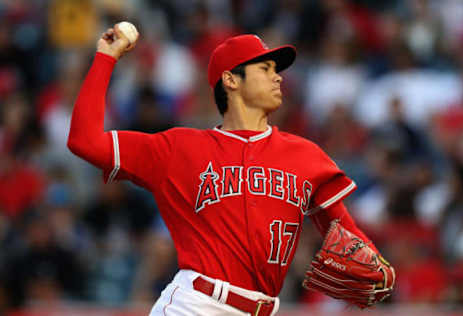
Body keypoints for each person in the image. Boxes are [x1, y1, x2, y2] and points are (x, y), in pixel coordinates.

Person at [68, 24, 388, 316]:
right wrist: (106, 58)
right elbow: (85, 141)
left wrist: (373, 271)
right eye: (264, 69)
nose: (277, 77)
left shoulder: (306, 156)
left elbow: (347, 237)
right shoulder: (179, 148)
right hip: (196, 305)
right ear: (231, 80)